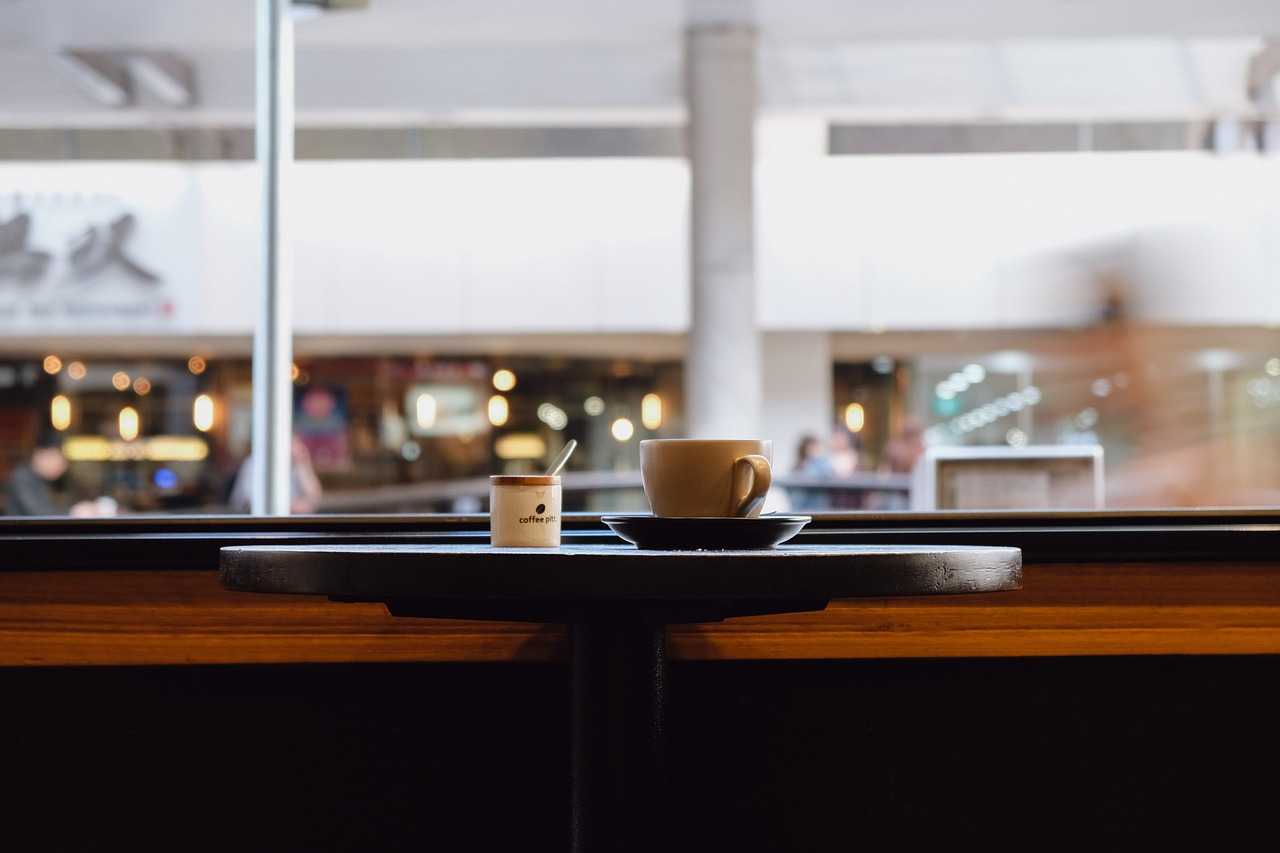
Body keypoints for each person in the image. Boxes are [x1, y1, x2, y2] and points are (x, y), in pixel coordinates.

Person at [4, 430, 112, 516]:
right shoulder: (22, 478)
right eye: (58, 458)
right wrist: (74, 512)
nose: (62, 465)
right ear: (41, 455)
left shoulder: (54, 481)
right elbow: (39, 514)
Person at [228, 435, 324, 513]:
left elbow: (314, 497)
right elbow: (250, 501)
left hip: (290, 524)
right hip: (255, 524)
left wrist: (302, 462)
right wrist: (289, 506)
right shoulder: (253, 463)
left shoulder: (294, 464)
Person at [789, 433, 834, 510]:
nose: (815, 449)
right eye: (812, 446)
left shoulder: (823, 462)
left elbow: (828, 474)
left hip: (819, 508)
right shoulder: (798, 466)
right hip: (801, 508)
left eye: (816, 446)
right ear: (805, 448)